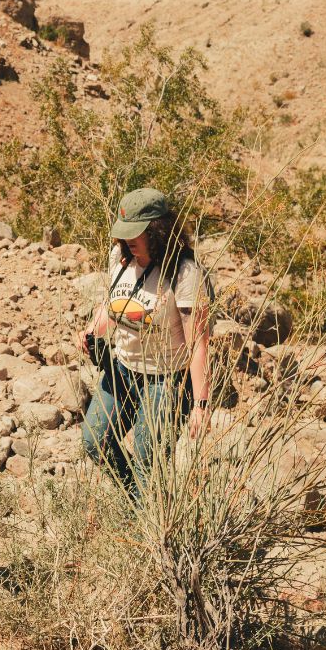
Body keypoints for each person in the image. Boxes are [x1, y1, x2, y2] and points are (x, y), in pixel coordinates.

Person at [81, 187, 213, 484]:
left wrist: (201, 405)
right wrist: (92, 330)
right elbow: (114, 304)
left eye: (136, 234)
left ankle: (144, 518)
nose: (128, 241)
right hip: (122, 370)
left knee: (146, 459)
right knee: (95, 441)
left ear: (157, 230)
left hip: (165, 381)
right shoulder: (120, 256)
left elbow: (198, 344)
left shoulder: (184, 273)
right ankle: (135, 500)